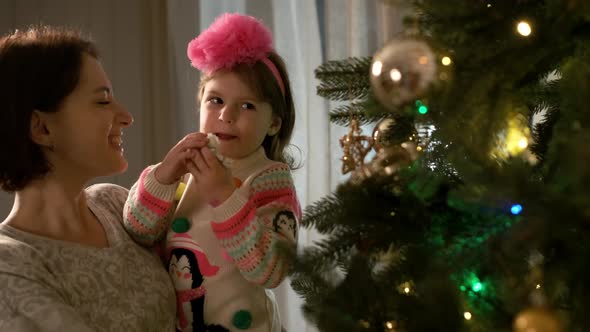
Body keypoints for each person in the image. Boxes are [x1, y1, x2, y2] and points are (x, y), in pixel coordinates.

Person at [123, 13, 301, 332]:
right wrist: (163, 176)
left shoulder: (271, 180)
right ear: (200, 106)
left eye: (246, 106)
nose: (226, 115)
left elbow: (271, 271)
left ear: (274, 122)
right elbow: (138, 229)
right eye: (215, 100)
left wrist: (226, 197)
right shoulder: (185, 166)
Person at [0, 26, 176, 331]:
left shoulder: (116, 204)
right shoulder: (8, 263)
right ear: (42, 129)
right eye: (102, 100)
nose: (126, 117)